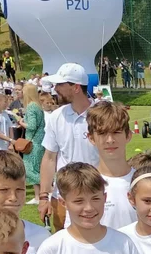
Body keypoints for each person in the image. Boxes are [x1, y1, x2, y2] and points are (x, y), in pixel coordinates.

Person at [38, 63, 98, 232]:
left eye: (60, 85)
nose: (55, 89)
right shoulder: (56, 117)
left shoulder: (101, 114)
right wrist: (44, 197)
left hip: (95, 193)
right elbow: (49, 158)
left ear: (76, 87)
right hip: (63, 195)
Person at [79, 102, 137, 230]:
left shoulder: (142, 181)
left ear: (128, 135)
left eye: (116, 132)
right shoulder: (83, 184)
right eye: (102, 133)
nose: (110, 140)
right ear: (91, 138)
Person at [22, 83, 46, 204]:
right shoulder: (38, 106)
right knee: (37, 168)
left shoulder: (31, 107)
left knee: (29, 168)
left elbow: (31, 125)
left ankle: (48, 187)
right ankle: (38, 196)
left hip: (33, 141)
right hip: (40, 140)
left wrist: (21, 123)